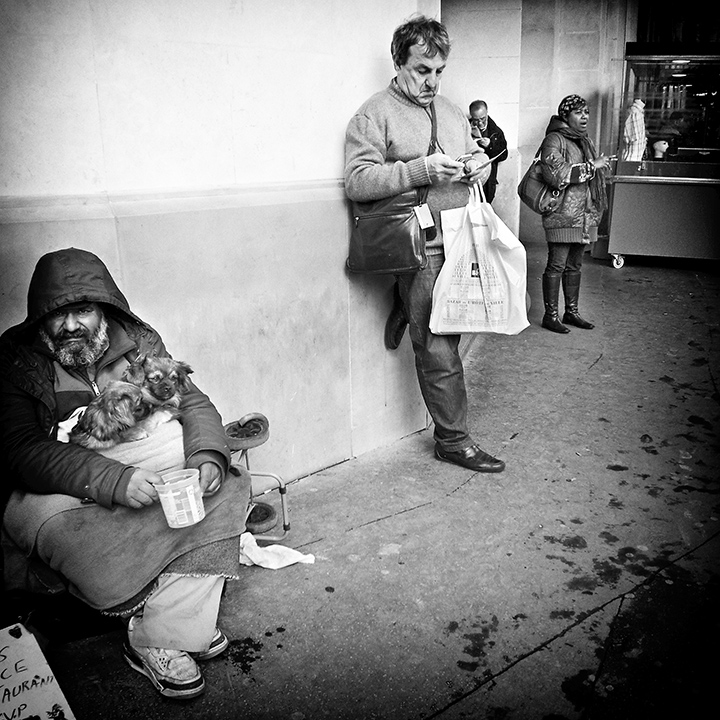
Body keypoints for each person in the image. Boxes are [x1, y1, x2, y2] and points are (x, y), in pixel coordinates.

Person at [0, 248, 253, 699]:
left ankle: (161, 629)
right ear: (41, 317)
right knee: (64, 530)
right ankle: (178, 621)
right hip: (59, 484)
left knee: (224, 485)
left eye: (83, 310)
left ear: (103, 308)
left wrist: (207, 459)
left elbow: (192, 403)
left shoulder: (139, 340)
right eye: (59, 315)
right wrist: (113, 481)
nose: (72, 324)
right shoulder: (16, 360)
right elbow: (22, 450)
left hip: (142, 461)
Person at [344, 15, 505, 474]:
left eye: (439, 72)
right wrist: (421, 171)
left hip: (461, 239)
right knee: (439, 343)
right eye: (422, 71)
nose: (432, 81)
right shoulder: (374, 113)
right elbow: (358, 180)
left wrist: (480, 165)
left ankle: (406, 301)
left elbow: (475, 152)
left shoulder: (452, 110)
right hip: (422, 244)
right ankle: (453, 440)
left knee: (460, 322)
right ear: (399, 64)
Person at [538, 94, 612, 333]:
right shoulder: (554, 139)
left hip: (583, 216)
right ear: (565, 115)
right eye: (579, 112)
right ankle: (550, 316)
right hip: (562, 215)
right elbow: (556, 174)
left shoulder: (582, 140)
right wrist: (593, 166)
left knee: (575, 266)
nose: (584, 117)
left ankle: (571, 312)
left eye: (586, 112)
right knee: (557, 265)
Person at [468, 99, 508, 203]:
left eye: (483, 118)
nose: (480, 123)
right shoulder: (465, 128)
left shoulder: (496, 132)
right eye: (476, 120)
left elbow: (504, 155)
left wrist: (491, 145)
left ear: (487, 114)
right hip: (469, 177)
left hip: (488, 180)